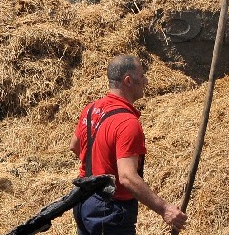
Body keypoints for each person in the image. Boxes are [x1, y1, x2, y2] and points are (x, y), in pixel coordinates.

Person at [70, 55, 186, 234]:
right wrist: (165, 209)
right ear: (128, 81)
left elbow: (75, 146)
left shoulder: (91, 109)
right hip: (109, 212)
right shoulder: (127, 123)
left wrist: (102, 167)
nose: (146, 81)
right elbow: (127, 177)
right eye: (142, 77)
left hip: (84, 202)